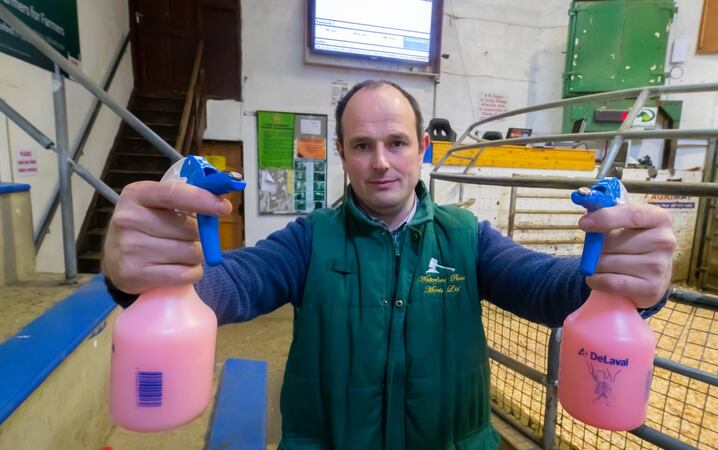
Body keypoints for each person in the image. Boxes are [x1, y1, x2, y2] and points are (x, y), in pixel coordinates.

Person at [102, 80, 676, 449]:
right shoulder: (307, 241)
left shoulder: (467, 238)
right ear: (343, 154)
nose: (381, 163)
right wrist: (151, 280)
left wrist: (622, 283)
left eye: (397, 143)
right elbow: (230, 285)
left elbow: (550, 288)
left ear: (424, 147)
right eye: (361, 145)